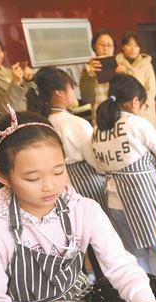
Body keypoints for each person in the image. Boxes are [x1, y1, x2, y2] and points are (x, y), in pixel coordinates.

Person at [0, 107, 156, 302]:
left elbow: (121, 265)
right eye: (32, 178)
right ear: (3, 176)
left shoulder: (83, 210)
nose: (50, 186)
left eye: (59, 171)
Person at [92, 74, 156, 274]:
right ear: (135, 102)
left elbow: (99, 166)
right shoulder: (137, 124)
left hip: (115, 203)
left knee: (136, 260)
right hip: (144, 200)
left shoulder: (98, 129)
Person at [27, 66, 107, 211]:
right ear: (59, 93)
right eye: (71, 88)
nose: (73, 93)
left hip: (60, 187)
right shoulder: (76, 123)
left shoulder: (40, 124)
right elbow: (97, 163)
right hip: (87, 183)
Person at [79, 29, 128, 124]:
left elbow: (131, 95)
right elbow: (87, 98)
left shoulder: (122, 66)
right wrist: (89, 76)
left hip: (122, 117)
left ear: (114, 48)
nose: (105, 48)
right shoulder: (88, 69)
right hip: (100, 119)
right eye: (101, 45)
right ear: (94, 47)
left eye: (109, 45)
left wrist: (123, 75)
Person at [116, 32, 156, 130]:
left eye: (136, 45)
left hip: (145, 109)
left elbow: (151, 90)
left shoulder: (146, 64)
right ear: (122, 46)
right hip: (125, 111)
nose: (133, 49)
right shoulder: (116, 65)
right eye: (129, 45)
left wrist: (142, 106)